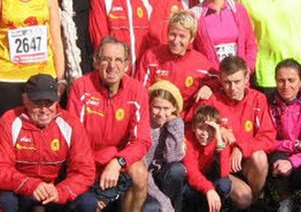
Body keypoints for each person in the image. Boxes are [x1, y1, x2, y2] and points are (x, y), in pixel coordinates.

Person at [0, 74, 96, 211]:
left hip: (56, 189)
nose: (44, 109)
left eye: (49, 102)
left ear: (57, 100)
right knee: (5, 201)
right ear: (25, 99)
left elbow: (84, 171)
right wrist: (31, 185)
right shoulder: (9, 121)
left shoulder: (71, 123)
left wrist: (61, 192)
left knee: (88, 203)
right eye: (38, 102)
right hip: (23, 189)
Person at [68, 36, 151, 212]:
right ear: (96, 62)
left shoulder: (137, 91)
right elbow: (75, 139)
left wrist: (117, 162)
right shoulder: (81, 87)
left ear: (127, 66)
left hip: (117, 162)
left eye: (118, 60)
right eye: (106, 59)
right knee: (91, 204)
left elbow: (142, 140)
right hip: (86, 162)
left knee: (140, 173)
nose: (112, 66)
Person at [194, 56, 276, 209]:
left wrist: (241, 147)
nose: (232, 88)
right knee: (244, 199)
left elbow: (268, 137)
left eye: (237, 82)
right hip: (220, 166)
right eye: (227, 82)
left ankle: (256, 201)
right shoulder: (211, 100)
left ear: (247, 78)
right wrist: (219, 130)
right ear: (220, 79)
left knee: (260, 157)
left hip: (245, 162)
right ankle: (240, 203)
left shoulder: (258, 99)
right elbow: (197, 131)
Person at [136, 11, 218, 112]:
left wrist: (208, 87)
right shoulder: (151, 56)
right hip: (155, 118)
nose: (176, 41)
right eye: (173, 34)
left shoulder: (200, 63)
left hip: (186, 121)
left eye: (182, 36)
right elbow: (140, 91)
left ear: (191, 39)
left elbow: (218, 81)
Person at [191, 0, 258, 71]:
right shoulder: (194, 15)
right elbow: (192, 52)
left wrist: (247, 69)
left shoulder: (238, 10)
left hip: (238, 80)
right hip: (211, 78)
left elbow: (251, 44)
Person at [267, 59, 301, 211]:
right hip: (280, 149)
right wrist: (295, 144)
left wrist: (294, 161)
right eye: (281, 80)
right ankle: (284, 200)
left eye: (291, 80)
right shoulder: (267, 101)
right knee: (279, 165)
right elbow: (267, 140)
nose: (286, 86)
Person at [144, 80, 185, 212]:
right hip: (143, 179)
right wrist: (164, 201)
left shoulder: (175, 124)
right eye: (156, 107)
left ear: (174, 108)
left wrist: (174, 124)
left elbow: (172, 158)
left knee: (177, 169)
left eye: (166, 108)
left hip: (161, 174)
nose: (161, 114)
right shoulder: (144, 126)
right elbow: (142, 172)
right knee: (153, 207)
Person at [183, 106, 232, 212]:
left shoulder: (220, 141)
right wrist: (208, 189)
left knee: (224, 184)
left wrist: (219, 141)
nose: (205, 133)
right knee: (186, 191)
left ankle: (216, 208)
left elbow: (223, 173)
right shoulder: (187, 139)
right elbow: (191, 171)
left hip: (211, 178)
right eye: (200, 128)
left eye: (210, 129)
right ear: (193, 128)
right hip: (193, 183)